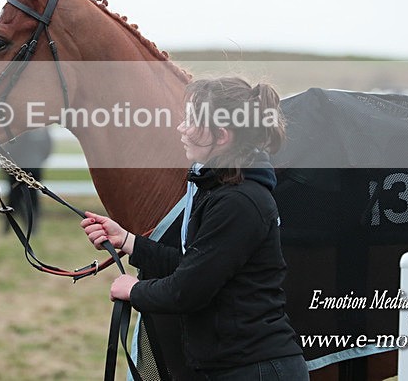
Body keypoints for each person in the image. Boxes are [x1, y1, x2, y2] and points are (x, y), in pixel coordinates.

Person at [81, 77, 308, 380]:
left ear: (222, 136)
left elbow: (187, 291)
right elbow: (196, 267)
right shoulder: (219, 190)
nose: (182, 128)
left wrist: (134, 290)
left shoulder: (238, 202)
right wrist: (129, 241)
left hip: (255, 370)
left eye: (192, 121)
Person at [2, 127, 52, 235]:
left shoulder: (17, 128)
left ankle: (10, 226)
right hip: (32, 166)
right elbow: (47, 147)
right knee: (30, 197)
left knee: (14, 198)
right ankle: (31, 226)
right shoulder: (41, 129)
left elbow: (11, 148)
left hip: (19, 167)